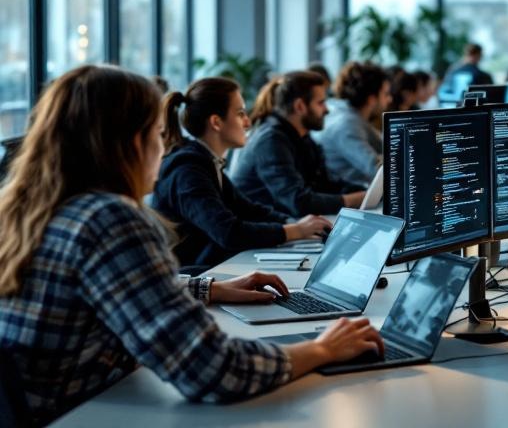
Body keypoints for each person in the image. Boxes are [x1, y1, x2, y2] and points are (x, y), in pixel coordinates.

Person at [0, 65, 385, 426]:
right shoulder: (109, 219)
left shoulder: (33, 207)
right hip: (81, 412)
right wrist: (323, 349)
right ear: (130, 142)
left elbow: (117, 287)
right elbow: (213, 369)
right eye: (157, 134)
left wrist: (210, 288)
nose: (163, 146)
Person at [153, 77, 333, 267]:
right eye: (240, 114)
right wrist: (296, 230)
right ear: (216, 122)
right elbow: (229, 233)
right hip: (192, 276)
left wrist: (295, 222)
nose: (247, 122)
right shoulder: (187, 169)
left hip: (216, 266)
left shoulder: (205, 161)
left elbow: (248, 209)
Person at [231, 71, 365, 217]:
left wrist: (368, 193)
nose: (326, 110)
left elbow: (326, 183)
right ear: (300, 106)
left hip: (287, 222)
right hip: (262, 227)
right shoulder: (270, 141)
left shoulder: (302, 137)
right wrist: (354, 200)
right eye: (321, 103)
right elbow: (298, 202)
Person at [314, 62, 390, 188]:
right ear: (372, 99)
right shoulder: (347, 124)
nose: (389, 99)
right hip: (351, 193)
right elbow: (376, 169)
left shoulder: (348, 115)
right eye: (386, 94)